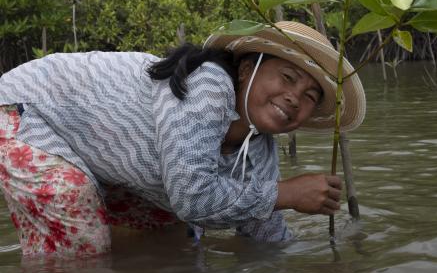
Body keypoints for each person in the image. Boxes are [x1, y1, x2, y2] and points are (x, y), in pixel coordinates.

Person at [0, 21, 366, 257]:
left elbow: (262, 228)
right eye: (287, 78)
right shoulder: (207, 85)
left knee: (174, 238)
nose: (294, 98)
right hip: (26, 109)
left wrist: (320, 262)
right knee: (79, 234)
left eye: (310, 96)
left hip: (99, 154)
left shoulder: (260, 149)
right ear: (245, 69)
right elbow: (194, 198)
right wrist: (286, 194)